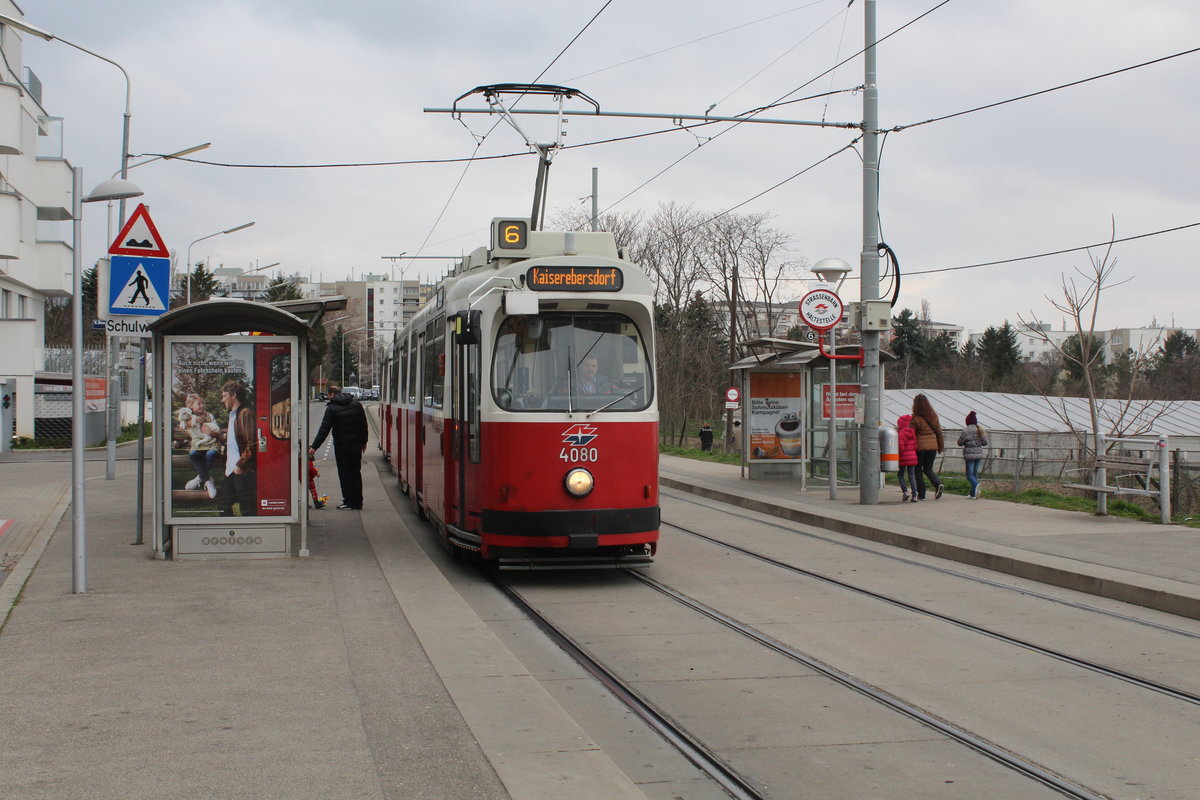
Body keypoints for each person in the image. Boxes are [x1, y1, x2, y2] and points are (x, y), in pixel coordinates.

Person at [309, 383, 368, 510]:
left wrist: (314, 447)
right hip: (356, 445)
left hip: (342, 446)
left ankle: (348, 502)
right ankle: (358, 502)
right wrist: (364, 442)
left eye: (328, 396)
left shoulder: (332, 408)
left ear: (331, 395)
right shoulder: (356, 404)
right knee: (356, 473)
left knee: (345, 474)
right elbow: (363, 424)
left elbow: (324, 430)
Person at [215, 380, 257, 516]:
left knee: (247, 508)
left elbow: (252, 444)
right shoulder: (232, 416)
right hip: (231, 470)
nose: (222, 400)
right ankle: (233, 531)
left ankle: (249, 535)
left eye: (224, 396)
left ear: (233, 395)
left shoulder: (246, 414)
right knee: (223, 504)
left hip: (242, 470)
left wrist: (240, 465)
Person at [180, 393, 220, 499]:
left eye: (203, 403)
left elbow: (217, 432)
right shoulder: (188, 418)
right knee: (193, 454)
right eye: (199, 404)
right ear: (191, 406)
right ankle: (208, 481)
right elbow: (183, 425)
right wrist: (189, 421)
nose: (202, 405)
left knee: (210, 454)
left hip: (211, 443)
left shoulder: (209, 416)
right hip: (197, 446)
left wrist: (209, 431)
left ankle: (199, 478)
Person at [911, 392, 945, 500]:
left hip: (920, 447)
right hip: (933, 446)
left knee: (918, 469)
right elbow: (939, 432)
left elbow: (911, 434)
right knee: (928, 469)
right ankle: (937, 483)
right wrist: (940, 447)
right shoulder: (934, 416)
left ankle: (922, 494)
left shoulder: (915, 419)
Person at [957, 411, 989, 499]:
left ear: (967, 422)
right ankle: (973, 494)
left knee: (969, 475)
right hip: (978, 455)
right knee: (974, 474)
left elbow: (959, 443)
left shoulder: (965, 431)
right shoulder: (979, 430)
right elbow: (985, 443)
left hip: (969, 456)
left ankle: (976, 484)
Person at [896, 413, 919, 503]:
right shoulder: (912, 432)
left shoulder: (900, 433)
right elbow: (915, 445)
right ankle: (915, 494)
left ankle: (905, 492)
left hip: (903, 458)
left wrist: (898, 453)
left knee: (900, 475)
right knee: (911, 475)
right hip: (912, 457)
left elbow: (901, 447)